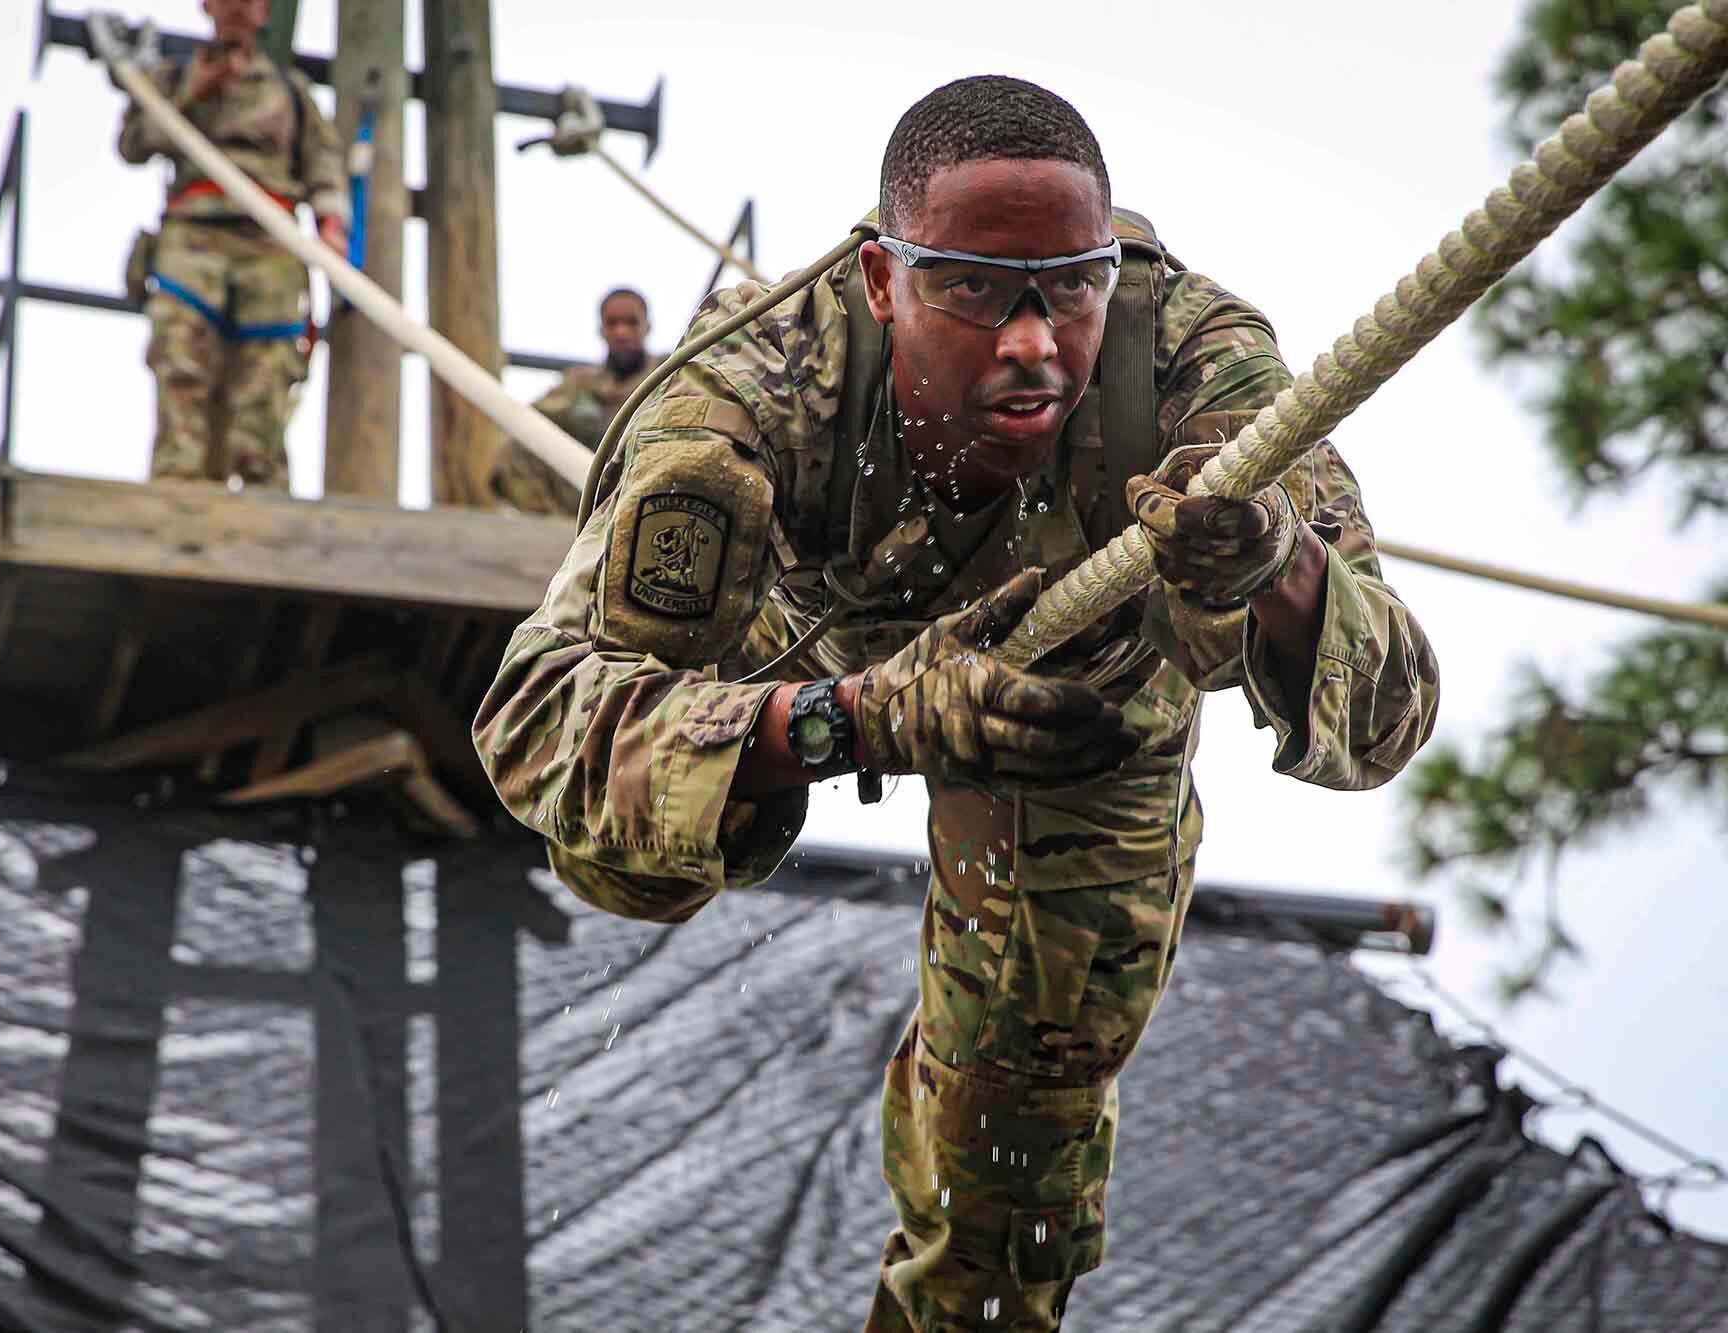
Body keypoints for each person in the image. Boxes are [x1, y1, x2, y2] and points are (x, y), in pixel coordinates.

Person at [475, 76, 1438, 1331]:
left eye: (1070, 287)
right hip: (811, 635)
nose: (1033, 342)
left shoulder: (1197, 366)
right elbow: (535, 716)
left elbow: (1390, 715)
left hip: (1080, 709)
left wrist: (1277, 570)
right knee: (624, 863)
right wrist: (849, 722)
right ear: (882, 280)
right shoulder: (751, 387)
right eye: (973, 289)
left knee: (1012, 1178)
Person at [116, 0, 348, 490]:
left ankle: (262, 491)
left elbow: (323, 165)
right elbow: (135, 143)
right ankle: (179, 488)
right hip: (193, 242)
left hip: (270, 247)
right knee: (182, 365)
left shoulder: (289, 92)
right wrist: (193, 94)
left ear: (265, 13)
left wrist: (332, 226)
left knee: (264, 383)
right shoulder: (175, 79)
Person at [490, 287, 664, 515]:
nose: (622, 332)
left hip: (646, 485)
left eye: (631, 323)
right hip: (587, 492)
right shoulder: (580, 384)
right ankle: (553, 525)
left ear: (646, 327)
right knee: (516, 449)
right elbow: (530, 422)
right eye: (613, 324)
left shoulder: (666, 375)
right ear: (602, 330)